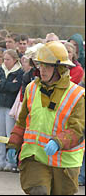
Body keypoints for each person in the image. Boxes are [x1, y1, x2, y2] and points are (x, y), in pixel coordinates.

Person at [7, 41, 85, 195]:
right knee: (38, 191)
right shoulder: (31, 88)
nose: (42, 70)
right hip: (35, 157)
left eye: (48, 66)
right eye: (41, 65)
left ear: (60, 68)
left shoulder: (77, 95)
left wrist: (58, 142)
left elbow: (78, 129)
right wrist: (13, 144)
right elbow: (22, 121)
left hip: (64, 164)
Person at [0, 49, 24, 172]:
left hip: (10, 106)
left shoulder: (19, 72)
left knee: (10, 135)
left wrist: (3, 83)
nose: (5, 62)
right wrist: (7, 83)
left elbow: (15, 87)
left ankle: (11, 162)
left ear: (15, 60)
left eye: (8, 59)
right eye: (4, 59)